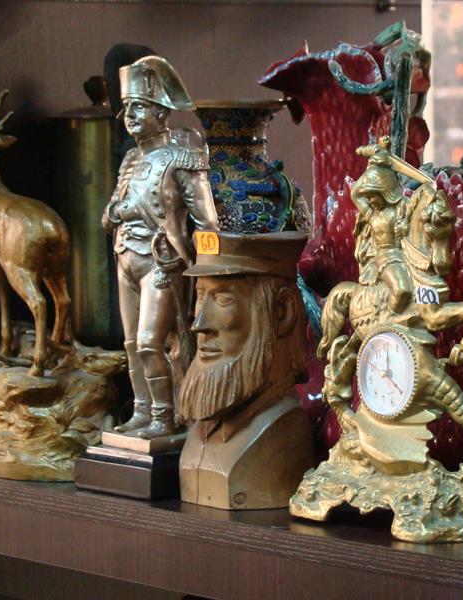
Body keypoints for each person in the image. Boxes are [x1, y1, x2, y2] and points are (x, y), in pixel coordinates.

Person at [102, 55, 218, 440]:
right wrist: (117, 211)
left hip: (161, 263)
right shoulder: (130, 159)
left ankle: (164, 417)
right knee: (130, 344)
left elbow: (207, 223)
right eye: (127, 108)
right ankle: (141, 410)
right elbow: (111, 212)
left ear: (161, 112)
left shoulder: (182, 158)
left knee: (151, 343)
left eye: (139, 107)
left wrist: (209, 276)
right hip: (125, 257)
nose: (130, 116)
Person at [178, 231, 315, 509]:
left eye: (223, 300)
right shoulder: (201, 431)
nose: (199, 324)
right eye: (201, 296)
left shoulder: (282, 434)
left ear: (282, 312)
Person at [350, 148, 413, 314]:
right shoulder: (372, 215)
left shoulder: (402, 208)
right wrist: (372, 165)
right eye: (368, 196)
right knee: (402, 290)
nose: (369, 200)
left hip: (406, 257)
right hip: (384, 257)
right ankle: (389, 318)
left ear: (386, 191)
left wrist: (405, 228)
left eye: (373, 195)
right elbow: (355, 193)